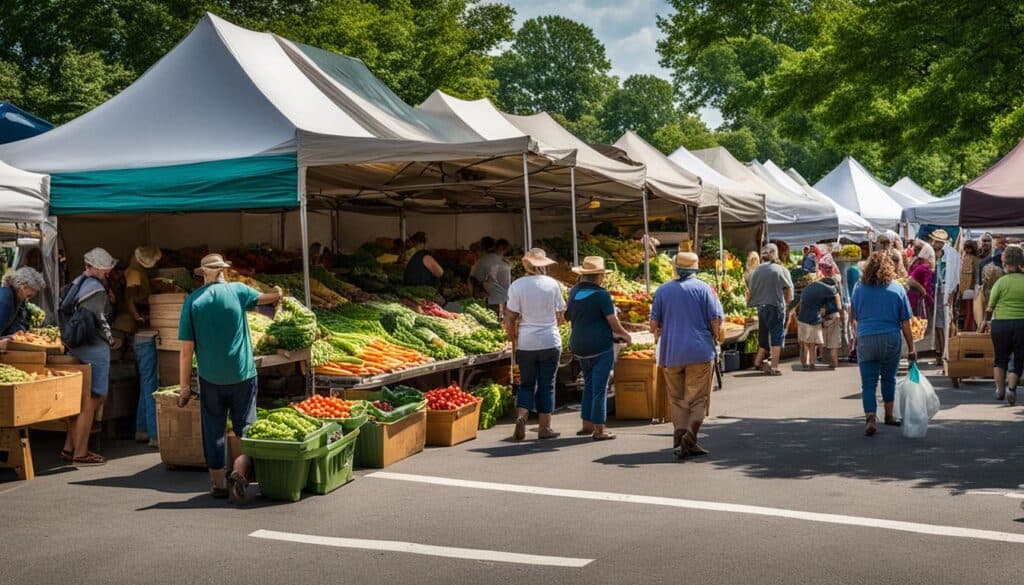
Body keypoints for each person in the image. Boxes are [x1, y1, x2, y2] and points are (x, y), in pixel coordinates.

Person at [176, 253, 282, 501]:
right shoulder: (238, 291)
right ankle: (239, 470)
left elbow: (185, 351)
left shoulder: (192, 301)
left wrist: (183, 387)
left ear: (202, 274)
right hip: (242, 374)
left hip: (210, 378)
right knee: (246, 427)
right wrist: (278, 292)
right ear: (223, 270)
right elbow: (268, 300)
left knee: (214, 429)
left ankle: (218, 485)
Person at [650, 252, 723, 458]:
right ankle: (690, 437)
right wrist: (716, 337)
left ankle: (679, 438)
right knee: (698, 399)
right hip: (700, 350)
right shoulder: (704, 289)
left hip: (671, 352)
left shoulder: (663, 290)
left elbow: (653, 325)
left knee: (677, 399)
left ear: (676, 268)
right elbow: (715, 320)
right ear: (695, 269)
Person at [60, 248, 121, 466]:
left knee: (79, 400)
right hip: (94, 347)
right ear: (94, 267)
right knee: (93, 398)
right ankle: (81, 452)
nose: (108, 271)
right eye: (105, 267)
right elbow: (100, 319)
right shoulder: (96, 289)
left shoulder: (79, 282)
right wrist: (111, 339)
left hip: (76, 347)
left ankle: (70, 447)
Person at [566, 256, 632, 440]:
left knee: (588, 384)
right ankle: (599, 429)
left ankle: (586, 425)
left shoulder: (574, 291)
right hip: (600, 346)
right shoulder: (602, 295)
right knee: (600, 387)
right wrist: (626, 335)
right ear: (599, 276)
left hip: (579, 344)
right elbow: (613, 322)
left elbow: (567, 316)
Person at [852, 251, 917, 436]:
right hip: (890, 337)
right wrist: (912, 348)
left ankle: (871, 417)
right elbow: (905, 322)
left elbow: (855, 316)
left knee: (868, 383)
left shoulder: (859, 288)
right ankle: (889, 415)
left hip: (866, 338)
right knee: (889, 378)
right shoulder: (897, 288)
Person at [504, 248, 565, 441]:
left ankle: (522, 416)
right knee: (547, 384)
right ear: (543, 265)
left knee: (526, 384)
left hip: (526, 343)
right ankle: (544, 427)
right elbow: (561, 315)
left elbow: (509, 317)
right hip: (549, 340)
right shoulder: (553, 284)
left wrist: (512, 337)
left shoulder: (517, 285)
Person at [114, 245, 162, 447]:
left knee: (146, 381)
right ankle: (154, 434)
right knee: (151, 383)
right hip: (139, 332)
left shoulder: (132, 270)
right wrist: (139, 317)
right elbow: (130, 297)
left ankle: (142, 429)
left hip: (136, 332)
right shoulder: (134, 273)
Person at [980, 244, 1024, 405]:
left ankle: (999, 390)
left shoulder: (1001, 282)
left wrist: (984, 322)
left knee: (1000, 358)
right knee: (1019, 359)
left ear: (1005, 263)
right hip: (1021, 324)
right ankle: (1011, 389)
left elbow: (990, 307)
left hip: (1000, 325)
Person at [746, 243, 794, 375]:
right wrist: (787, 304)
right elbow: (788, 289)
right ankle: (774, 367)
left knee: (763, 335)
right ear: (775, 254)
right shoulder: (779, 270)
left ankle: (757, 362)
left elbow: (750, 291)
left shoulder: (756, 270)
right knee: (776, 337)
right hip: (775, 306)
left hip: (761, 308)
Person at [794, 265, 842, 370]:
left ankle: (806, 363)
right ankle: (828, 363)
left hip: (802, 318)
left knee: (805, 343)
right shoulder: (829, 289)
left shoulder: (808, 288)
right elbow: (839, 306)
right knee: (823, 343)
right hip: (817, 319)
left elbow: (801, 304)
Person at [929, 229, 959, 365]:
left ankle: (945, 353)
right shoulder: (940, 255)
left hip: (946, 292)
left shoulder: (951, 255)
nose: (932, 243)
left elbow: (955, 278)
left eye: (934, 241)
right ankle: (940, 353)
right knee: (939, 324)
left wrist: (951, 294)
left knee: (945, 323)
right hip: (939, 292)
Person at [470, 238, 512, 315]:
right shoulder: (505, 262)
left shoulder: (483, 260)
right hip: (502, 298)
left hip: (491, 299)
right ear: (503, 249)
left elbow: (473, 279)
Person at [0, 267, 44, 336]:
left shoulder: (19, 297)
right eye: (29, 295)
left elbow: (18, 321)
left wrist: (19, 330)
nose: (28, 299)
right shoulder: (5, 299)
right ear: (23, 286)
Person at [818, 263, 845, 369]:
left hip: (824, 316)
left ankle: (826, 362)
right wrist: (842, 318)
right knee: (834, 342)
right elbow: (839, 306)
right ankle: (834, 363)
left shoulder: (821, 286)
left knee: (824, 341)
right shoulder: (835, 287)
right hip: (835, 316)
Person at [906, 243, 935, 321]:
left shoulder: (916, 262)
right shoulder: (925, 267)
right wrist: (932, 302)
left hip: (910, 295)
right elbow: (927, 287)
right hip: (918, 298)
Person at [959, 240, 980, 330]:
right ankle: (967, 327)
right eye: (966, 248)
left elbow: (976, 274)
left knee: (970, 310)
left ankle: (968, 328)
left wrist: (974, 286)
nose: (967, 250)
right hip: (964, 287)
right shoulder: (964, 257)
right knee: (967, 310)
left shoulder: (973, 259)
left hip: (969, 288)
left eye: (969, 248)